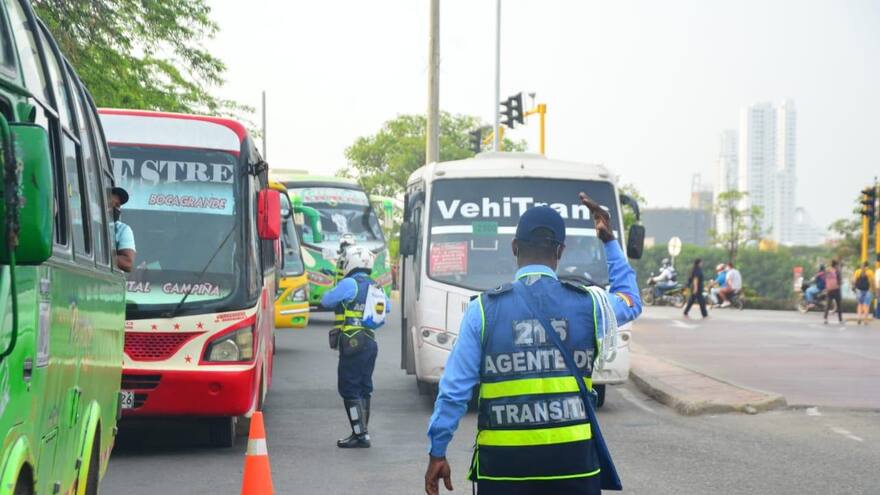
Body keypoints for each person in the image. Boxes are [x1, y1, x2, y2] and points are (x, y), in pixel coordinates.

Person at [424, 195, 641, 495]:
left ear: (514, 247)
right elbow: (631, 301)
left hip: (503, 472)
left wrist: (438, 451)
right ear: (561, 251)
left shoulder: (483, 310)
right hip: (575, 468)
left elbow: (453, 392)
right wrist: (609, 241)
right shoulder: (590, 305)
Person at [320, 245, 390, 448]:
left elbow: (326, 301)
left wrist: (338, 286)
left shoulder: (350, 283)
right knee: (364, 388)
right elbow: (388, 307)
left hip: (352, 341)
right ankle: (362, 432)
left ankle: (360, 436)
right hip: (370, 342)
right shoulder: (376, 286)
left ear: (351, 262)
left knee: (349, 389)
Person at [110, 187, 136, 273]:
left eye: (117, 205)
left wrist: (101, 257)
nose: (114, 208)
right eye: (110, 204)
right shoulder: (80, 222)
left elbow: (128, 263)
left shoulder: (122, 230)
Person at [852, 261, 875, 325]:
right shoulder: (870, 272)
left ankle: (859, 318)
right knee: (866, 305)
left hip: (859, 290)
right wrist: (874, 289)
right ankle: (865, 320)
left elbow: (853, 281)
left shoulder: (857, 271)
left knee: (860, 304)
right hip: (868, 290)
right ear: (868, 266)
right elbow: (873, 282)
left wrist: (854, 288)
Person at [823, 260, 843, 324]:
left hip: (829, 290)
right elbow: (840, 281)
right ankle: (840, 320)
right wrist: (839, 284)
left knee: (828, 305)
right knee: (839, 305)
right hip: (836, 290)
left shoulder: (827, 270)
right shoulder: (837, 271)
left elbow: (824, 278)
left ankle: (825, 319)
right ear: (836, 265)